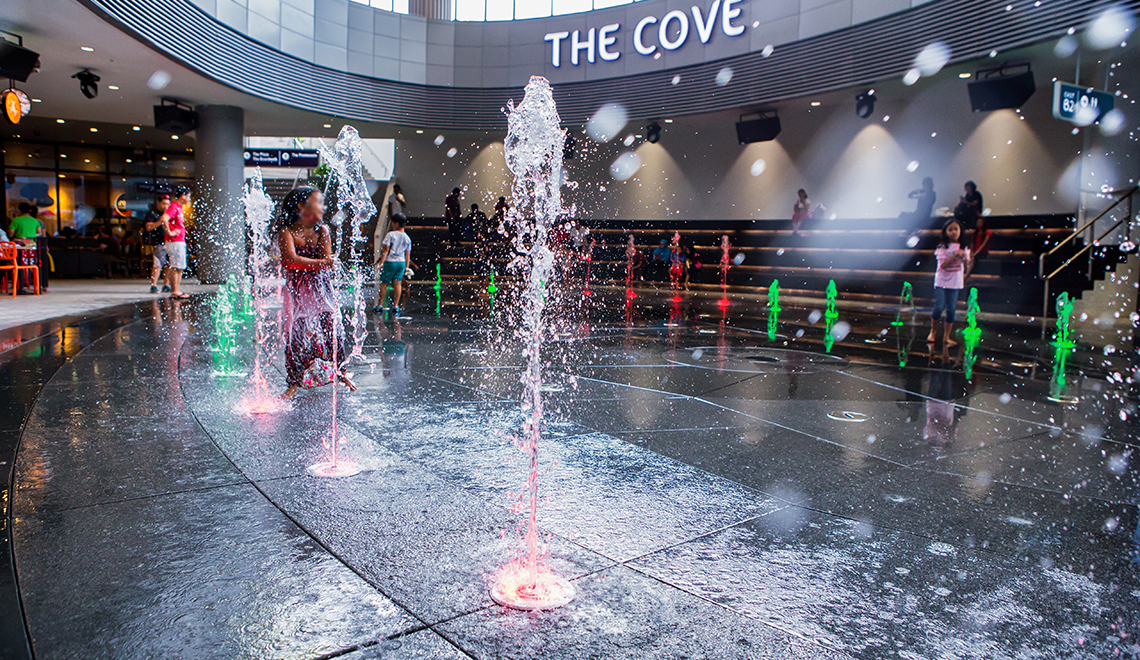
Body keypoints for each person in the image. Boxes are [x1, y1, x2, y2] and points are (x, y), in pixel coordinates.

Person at [276, 186, 355, 398]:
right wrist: (317, 262)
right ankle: (293, 382)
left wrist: (308, 263)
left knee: (333, 329)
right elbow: (291, 260)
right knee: (295, 335)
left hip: (321, 290)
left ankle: (341, 372)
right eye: (318, 202)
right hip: (297, 292)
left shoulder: (322, 231)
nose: (323, 207)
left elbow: (323, 264)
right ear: (301, 206)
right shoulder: (287, 231)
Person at [929, 218, 970, 348]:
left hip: (955, 281)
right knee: (939, 306)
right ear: (946, 232)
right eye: (950, 229)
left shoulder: (964, 248)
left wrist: (964, 258)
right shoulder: (942, 247)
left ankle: (947, 336)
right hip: (941, 280)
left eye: (956, 229)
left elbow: (967, 264)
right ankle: (932, 332)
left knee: (951, 309)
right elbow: (943, 266)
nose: (953, 232)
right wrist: (954, 256)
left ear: (960, 231)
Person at [374, 213, 415, 317]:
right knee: (397, 284)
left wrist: (382, 262)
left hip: (390, 262)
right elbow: (407, 253)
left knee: (385, 283)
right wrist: (406, 266)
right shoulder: (407, 237)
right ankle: (396, 306)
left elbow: (386, 250)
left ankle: (380, 305)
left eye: (393, 223)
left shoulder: (391, 235)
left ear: (396, 223)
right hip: (401, 263)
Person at [161, 186, 191, 299]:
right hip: (174, 241)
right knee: (176, 266)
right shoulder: (174, 206)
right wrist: (170, 232)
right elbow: (164, 218)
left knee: (179, 266)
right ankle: (175, 291)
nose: (189, 199)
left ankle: (177, 290)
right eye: (188, 196)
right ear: (183, 196)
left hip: (177, 241)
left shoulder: (178, 207)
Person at [143, 195, 172, 293]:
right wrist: (160, 222)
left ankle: (166, 284)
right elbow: (148, 227)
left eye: (167, 204)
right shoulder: (153, 214)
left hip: (169, 242)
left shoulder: (170, 214)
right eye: (164, 203)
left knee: (168, 265)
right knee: (157, 264)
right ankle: (154, 285)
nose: (166, 206)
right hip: (158, 242)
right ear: (159, 203)